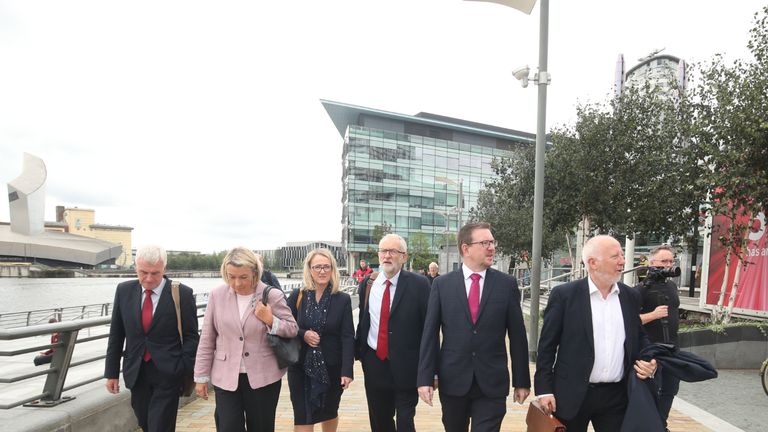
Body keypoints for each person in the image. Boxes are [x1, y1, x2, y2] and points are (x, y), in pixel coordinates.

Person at [534, 235, 658, 432]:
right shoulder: (565, 296)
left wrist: (649, 360)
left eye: (622, 255)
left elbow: (639, 336)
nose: (622, 261)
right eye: (615, 256)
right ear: (593, 263)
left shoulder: (630, 296)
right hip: (571, 395)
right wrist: (544, 390)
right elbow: (547, 347)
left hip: (617, 396)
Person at [417, 222, 530, 432]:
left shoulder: (506, 285)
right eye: (485, 242)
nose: (492, 247)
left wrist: (521, 380)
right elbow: (430, 334)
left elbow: (518, 336)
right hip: (453, 380)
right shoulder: (442, 285)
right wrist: (425, 378)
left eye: (492, 242)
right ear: (465, 248)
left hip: (492, 382)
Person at [194, 247, 298, 432]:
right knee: (228, 427)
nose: (237, 283)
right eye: (231, 276)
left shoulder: (272, 295)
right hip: (226, 376)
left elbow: (292, 329)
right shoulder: (217, 295)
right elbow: (207, 338)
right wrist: (201, 376)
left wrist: (270, 320)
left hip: (263, 377)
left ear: (255, 273)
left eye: (243, 277)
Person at [105, 245, 199, 432]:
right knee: (145, 422)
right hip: (137, 371)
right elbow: (116, 334)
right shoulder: (124, 291)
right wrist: (111, 372)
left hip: (169, 372)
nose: (148, 279)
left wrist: (184, 366)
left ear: (164, 268)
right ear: (135, 268)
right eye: (143, 272)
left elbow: (191, 336)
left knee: (160, 425)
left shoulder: (182, 293)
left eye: (155, 273)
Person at [357, 234, 431, 432]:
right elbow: (364, 321)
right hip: (374, 364)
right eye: (383, 251)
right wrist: (360, 355)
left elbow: (428, 329)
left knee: (405, 422)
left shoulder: (420, 285)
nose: (387, 256)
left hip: (407, 366)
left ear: (404, 257)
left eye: (393, 251)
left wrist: (430, 369)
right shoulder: (368, 284)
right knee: (380, 421)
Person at [286, 248, 355, 431]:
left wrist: (347, 370)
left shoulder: (342, 299)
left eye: (326, 266)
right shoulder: (298, 296)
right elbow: (286, 326)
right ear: (309, 270)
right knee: (302, 416)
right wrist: (303, 334)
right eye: (317, 267)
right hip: (300, 367)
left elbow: (348, 336)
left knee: (329, 411)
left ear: (333, 269)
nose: (322, 271)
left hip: (332, 367)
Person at [635, 245, 680, 429]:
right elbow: (628, 321)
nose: (668, 265)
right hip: (650, 352)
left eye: (671, 261)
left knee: (670, 390)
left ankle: (660, 425)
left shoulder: (671, 286)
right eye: (664, 261)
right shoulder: (640, 289)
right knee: (650, 392)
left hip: (672, 350)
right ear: (652, 263)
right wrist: (652, 315)